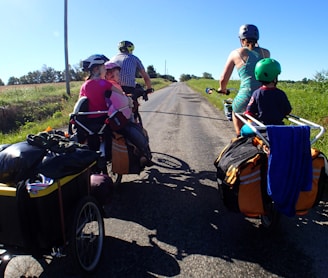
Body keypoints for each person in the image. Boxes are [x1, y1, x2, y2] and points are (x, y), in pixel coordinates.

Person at [218, 24, 270, 136]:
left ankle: (239, 138)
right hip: (264, 96)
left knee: (236, 111)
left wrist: (222, 89)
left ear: (241, 40)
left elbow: (223, 79)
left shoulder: (235, 53)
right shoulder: (266, 53)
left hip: (245, 96)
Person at [104, 61, 153, 167]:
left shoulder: (106, 85)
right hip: (119, 116)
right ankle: (143, 155)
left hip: (107, 116)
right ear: (109, 75)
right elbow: (119, 99)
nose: (119, 77)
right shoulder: (113, 85)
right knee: (135, 129)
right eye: (117, 75)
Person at [78, 54, 123, 154]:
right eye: (104, 67)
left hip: (87, 123)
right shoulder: (103, 83)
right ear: (96, 70)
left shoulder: (84, 85)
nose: (106, 70)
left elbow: (79, 104)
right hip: (103, 119)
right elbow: (120, 95)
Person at [244, 58, 292, 125]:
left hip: (261, 127)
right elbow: (287, 110)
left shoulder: (256, 93)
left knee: (245, 130)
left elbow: (249, 111)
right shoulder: (281, 94)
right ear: (274, 77)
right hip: (278, 127)